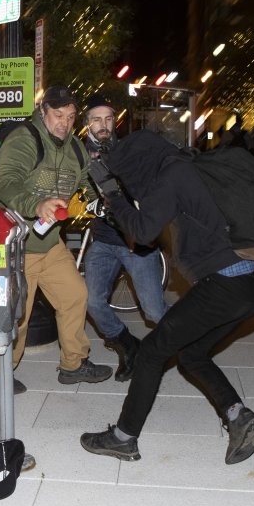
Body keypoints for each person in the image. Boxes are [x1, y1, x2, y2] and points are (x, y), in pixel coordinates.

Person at [80, 130, 254, 465]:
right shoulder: (192, 165)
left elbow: (140, 233)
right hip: (252, 284)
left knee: (152, 351)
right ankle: (240, 417)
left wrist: (113, 196)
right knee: (192, 352)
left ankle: (123, 438)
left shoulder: (172, 175)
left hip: (224, 285)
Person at [0, 85, 112, 394]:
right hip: (12, 243)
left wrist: (106, 201)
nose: (64, 123)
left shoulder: (75, 149)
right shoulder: (25, 139)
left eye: (71, 116)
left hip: (48, 241)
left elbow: (88, 184)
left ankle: (73, 365)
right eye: (58, 115)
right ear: (44, 112)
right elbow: (6, 183)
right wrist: (35, 205)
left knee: (76, 295)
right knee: (15, 314)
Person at [82, 95, 169, 382]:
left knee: (154, 310)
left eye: (108, 119)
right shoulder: (80, 155)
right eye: (96, 119)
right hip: (104, 240)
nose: (103, 124)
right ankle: (128, 346)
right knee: (92, 302)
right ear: (87, 124)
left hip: (136, 243)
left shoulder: (130, 150)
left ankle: (190, 343)